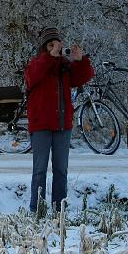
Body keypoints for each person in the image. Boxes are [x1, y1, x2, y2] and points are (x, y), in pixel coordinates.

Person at [24, 27, 94, 214]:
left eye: (57, 44)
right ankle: (36, 209)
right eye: (50, 45)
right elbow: (31, 78)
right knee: (39, 170)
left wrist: (81, 60)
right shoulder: (37, 63)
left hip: (63, 125)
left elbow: (82, 78)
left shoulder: (65, 66)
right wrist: (49, 57)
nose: (54, 48)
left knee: (61, 170)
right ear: (44, 48)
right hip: (41, 125)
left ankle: (59, 210)